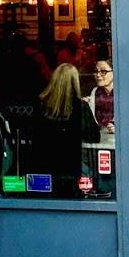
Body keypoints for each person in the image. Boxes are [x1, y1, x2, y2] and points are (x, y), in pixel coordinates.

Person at [33, 62, 99, 196]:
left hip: (43, 167)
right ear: (75, 82)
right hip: (71, 167)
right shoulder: (80, 107)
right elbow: (94, 136)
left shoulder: (40, 105)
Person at [85, 58, 114, 135]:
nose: (98, 75)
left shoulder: (124, 92)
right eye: (96, 71)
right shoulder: (95, 91)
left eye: (103, 71)